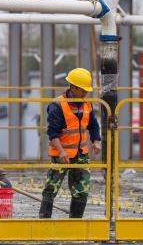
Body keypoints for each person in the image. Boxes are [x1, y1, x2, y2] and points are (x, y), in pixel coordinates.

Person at [38, 67, 102, 219]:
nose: (85, 93)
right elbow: (52, 132)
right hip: (61, 155)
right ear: (73, 88)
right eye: (83, 90)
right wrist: (61, 151)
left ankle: (76, 221)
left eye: (86, 90)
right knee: (51, 187)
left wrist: (96, 141)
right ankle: (44, 221)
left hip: (81, 154)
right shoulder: (57, 105)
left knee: (82, 189)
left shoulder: (87, 105)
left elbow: (93, 125)